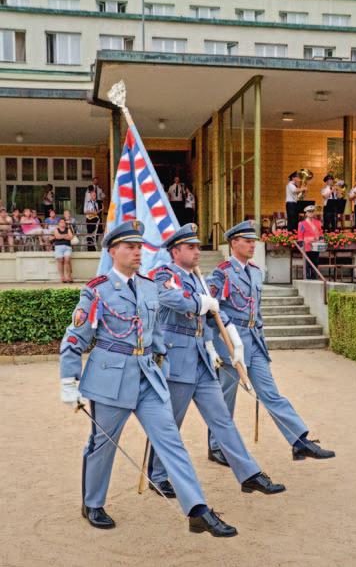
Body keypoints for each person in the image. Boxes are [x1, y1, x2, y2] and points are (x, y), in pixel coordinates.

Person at [60, 220, 237, 536]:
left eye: (140, 246)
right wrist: (69, 381)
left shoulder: (148, 285)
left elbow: (156, 336)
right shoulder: (97, 289)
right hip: (110, 380)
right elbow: (76, 336)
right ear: (114, 251)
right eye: (130, 246)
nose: (138, 252)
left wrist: (168, 367)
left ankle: (197, 509)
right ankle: (93, 502)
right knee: (103, 444)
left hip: (148, 378)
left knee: (171, 440)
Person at [149, 223, 285, 499]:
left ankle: (248, 473)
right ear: (175, 251)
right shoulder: (165, 273)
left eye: (198, 246)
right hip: (176, 359)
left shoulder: (199, 278)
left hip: (201, 357)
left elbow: (213, 318)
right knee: (171, 422)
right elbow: (171, 298)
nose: (197, 251)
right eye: (191, 247)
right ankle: (158, 475)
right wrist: (201, 302)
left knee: (223, 419)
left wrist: (227, 343)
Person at [206, 220, 335, 462]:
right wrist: (214, 343)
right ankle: (216, 447)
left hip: (254, 342)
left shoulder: (255, 271)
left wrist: (260, 335)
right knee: (225, 397)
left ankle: (299, 440)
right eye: (247, 241)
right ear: (234, 243)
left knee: (271, 392)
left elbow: (258, 310)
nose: (252, 245)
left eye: (253, 241)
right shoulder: (222, 273)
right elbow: (212, 310)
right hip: (231, 344)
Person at [297, 205, 323, 280]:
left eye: (312, 212)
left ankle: (315, 278)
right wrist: (301, 247)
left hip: (316, 246)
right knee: (307, 264)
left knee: (315, 263)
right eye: (309, 212)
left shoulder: (318, 223)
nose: (311, 213)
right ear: (306, 213)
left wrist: (321, 241)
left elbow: (321, 233)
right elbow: (300, 236)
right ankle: (307, 279)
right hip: (307, 246)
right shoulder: (302, 224)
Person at [53, 218, 74, 282]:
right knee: (60, 260)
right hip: (58, 247)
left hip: (67, 247)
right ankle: (62, 277)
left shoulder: (68, 229)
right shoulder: (56, 229)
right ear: (58, 223)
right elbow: (57, 237)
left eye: (63, 222)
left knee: (67, 260)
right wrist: (65, 235)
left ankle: (68, 277)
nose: (62, 223)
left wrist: (61, 236)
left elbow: (71, 237)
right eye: (61, 222)